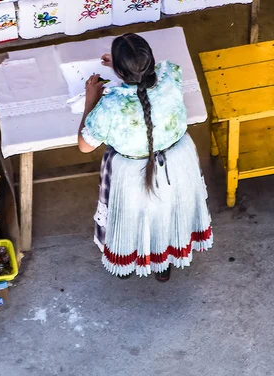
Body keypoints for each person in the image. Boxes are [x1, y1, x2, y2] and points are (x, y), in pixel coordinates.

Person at [78, 33, 213, 282]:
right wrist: (129, 68)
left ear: (119, 72)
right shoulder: (170, 75)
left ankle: (126, 264)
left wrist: (91, 101)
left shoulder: (109, 106)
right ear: (150, 61)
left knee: (132, 216)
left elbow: (85, 146)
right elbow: (156, 75)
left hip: (132, 172)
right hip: (178, 164)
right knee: (168, 210)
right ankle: (163, 266)